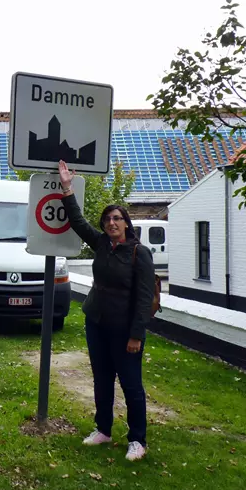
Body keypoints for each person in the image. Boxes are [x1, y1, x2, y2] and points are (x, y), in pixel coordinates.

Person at [58, 159, 155, 462]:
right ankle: (103, 429)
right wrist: (66, 187)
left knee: (131, 383)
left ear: (126, 222)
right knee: (101, 378)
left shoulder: (140, 254)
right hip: (96, 321)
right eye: (107, 220)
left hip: (125, 328)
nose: (111, 223)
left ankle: (138, 439)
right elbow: (76, 221)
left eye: (117, 218)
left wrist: (137, 335)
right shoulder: (101, 243)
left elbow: (143, 298)